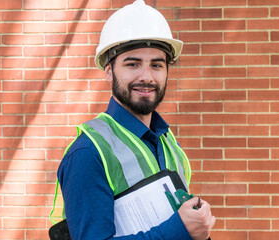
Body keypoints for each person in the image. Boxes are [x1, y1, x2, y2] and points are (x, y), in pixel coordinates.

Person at [56, 0, 216, 239]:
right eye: (133, 64)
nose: (146, 76)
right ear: (109, 69)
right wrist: (179, 230)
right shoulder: (89, 151)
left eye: (157, 65)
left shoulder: (168, 142)